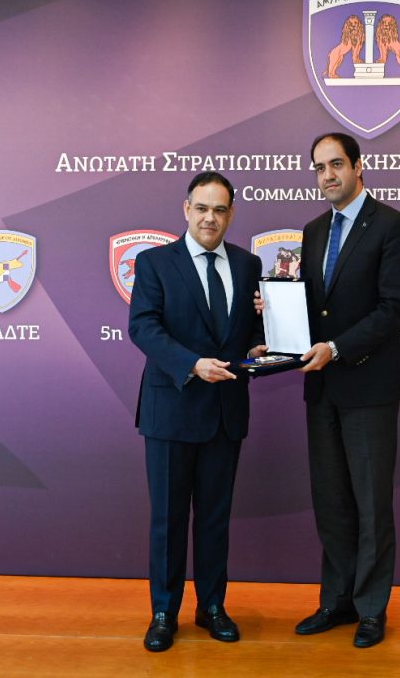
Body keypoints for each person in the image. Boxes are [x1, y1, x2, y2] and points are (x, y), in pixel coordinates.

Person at [276, 132, 400, 648]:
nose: (327, 175)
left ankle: (371, 609)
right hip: (322, 390)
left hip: (369, 387)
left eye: (336, 164)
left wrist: (335, 348)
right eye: (319, 167)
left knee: (372, 504)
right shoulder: (314, 230)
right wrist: (276, 313)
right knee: (332, 502)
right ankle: (336, 601)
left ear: (359, 167)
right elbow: (317, 306)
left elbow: (392, 310)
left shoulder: (393, 226)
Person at [129, 171, 265, 652]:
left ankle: (211, 607)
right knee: (168, 520)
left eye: (220, 210)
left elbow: (248, 333)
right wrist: (191, 364)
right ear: (186, 209)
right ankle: (164, 613)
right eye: (202, 208)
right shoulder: (154, 263)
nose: (211, 218)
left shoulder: (249, 265)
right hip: (171, 410)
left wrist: (261, 343)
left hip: (225, 413)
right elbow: (143, 327)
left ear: (231, 214)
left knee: (214, 518)